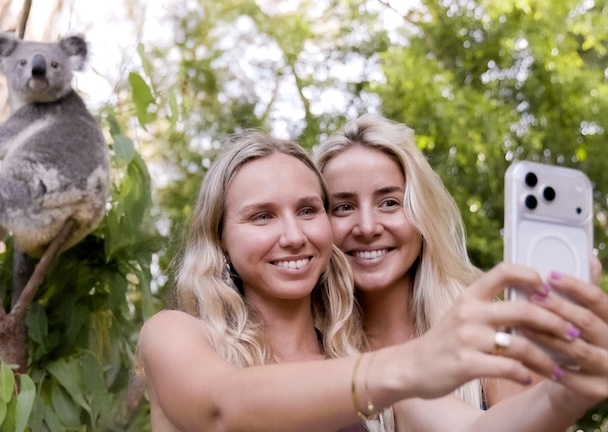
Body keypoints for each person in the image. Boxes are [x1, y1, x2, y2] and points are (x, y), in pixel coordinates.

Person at [137, 129, 601, 432]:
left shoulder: (357, 362)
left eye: (308, 210)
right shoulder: (176, 335)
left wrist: (567, 392)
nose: (294, 236)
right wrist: (411, 363)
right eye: (262, 216)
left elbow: (477, 429)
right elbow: (223, 409)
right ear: (220, 239)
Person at [313, 113, 608, 431]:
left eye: (389, 203)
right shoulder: (308, 344)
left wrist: (565, 393)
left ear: (422, 214)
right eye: (344, 207)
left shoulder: (485, 329)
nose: (367, 227)